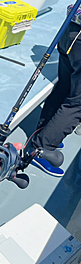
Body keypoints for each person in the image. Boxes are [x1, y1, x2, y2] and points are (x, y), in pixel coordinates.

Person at [30, 11, 81, 177]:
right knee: (77, 105)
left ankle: (44, 130)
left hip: (71, 31)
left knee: (64, 87)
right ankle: (42, 148)